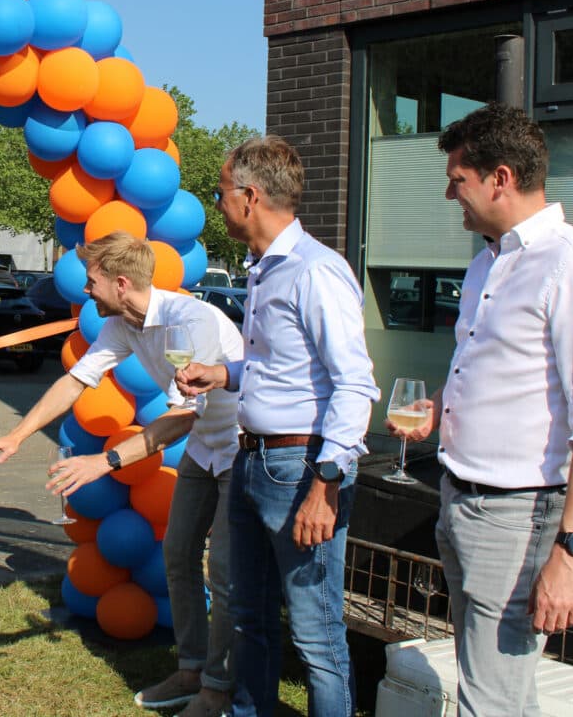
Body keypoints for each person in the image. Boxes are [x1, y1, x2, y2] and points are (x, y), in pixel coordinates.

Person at [388, 103, 573, 716]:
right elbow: (490, 368)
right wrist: (441, 408)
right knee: (486, 681)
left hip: (518, 514)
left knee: (492, 699)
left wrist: (571, 555)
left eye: (458, 181)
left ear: (500, 178)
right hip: (459, 497)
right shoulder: (487, 262)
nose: (452, 195)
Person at [0, 231, 243, 717]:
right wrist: (19, 435)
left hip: (240, 449)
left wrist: (104, 462)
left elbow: (182, 416)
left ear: (119, 283)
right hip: (204, 449)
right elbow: (75, 380)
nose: (85, 290)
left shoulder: (191, 320)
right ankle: (192, 669)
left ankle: (218, 691)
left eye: (91, 282)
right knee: (178, 556)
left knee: (223, 573)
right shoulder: (123, 325)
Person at [177, 135, 379, 717]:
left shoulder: (316, 271)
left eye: (220, 195)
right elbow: (278, 369)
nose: (217, 205)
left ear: (250, 195)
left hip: (300, 471)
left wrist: (326, 484)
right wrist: (221, 373)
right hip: (253, 462)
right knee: (250, 617)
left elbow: (354, 382)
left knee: (316, 634)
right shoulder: (264, 269)